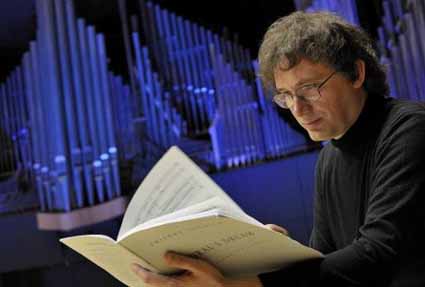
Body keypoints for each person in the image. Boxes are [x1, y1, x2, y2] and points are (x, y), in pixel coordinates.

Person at [131, 11, 425, 286]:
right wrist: (268, 255)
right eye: (286, 95)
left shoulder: (410, 129)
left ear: (356, 74)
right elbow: (325, 260)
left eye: (310, 88)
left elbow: (380, 254)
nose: (298, 109)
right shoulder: (329, 157)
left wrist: (253, 284)